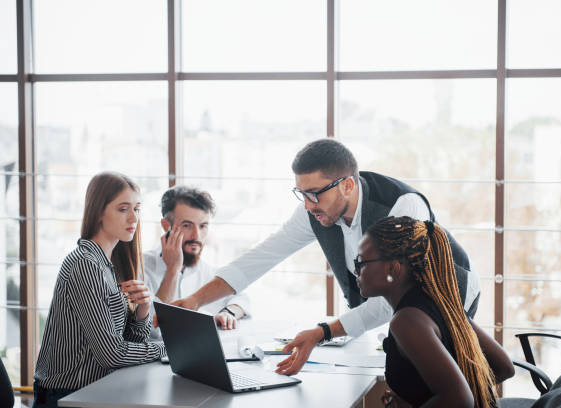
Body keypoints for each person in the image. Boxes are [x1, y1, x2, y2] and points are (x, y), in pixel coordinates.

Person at [172, 138, 481, 375]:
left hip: (448, 299)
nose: (308, 204)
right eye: (302, 194)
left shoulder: (402, 207)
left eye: (314, 193)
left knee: (436, 384)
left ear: (347, 185)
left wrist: (323, 332)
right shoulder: (317, 210)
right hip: (399, 314)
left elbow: (392, 299)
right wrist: (194, 301)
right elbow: (262, 256)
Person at [345, 216, 513, 407]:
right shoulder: (443, 303)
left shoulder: (406, 322)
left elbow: (460, 399)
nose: (356, 271)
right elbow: (504, 368)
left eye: (361, 263)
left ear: (393, 268)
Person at [32, 172, 165, 408]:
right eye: (123, 209)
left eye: (137, 209)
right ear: (99, 213)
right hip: (66, 396)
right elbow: (111, 355)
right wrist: (167, 349)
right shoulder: (86, 265)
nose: (134, 218)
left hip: (96, 390)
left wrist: (142, 311)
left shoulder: (109, 265)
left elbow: (127, 342)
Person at [144, 186, 249, 338]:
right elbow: (154, 330)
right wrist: (172, 270)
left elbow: (241, 298)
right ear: (166, 226)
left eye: (203, 226)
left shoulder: (207, 271)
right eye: (187, 225)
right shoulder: (141, 268)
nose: (196, 235)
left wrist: (228, 313)